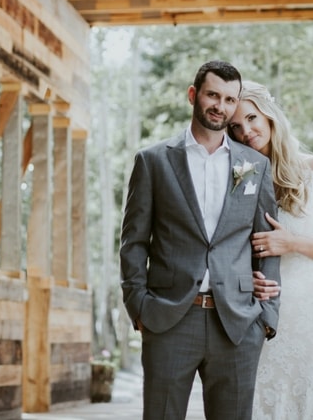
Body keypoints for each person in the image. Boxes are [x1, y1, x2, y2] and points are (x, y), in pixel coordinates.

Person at [120, 60, 281, 420]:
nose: (219, 106)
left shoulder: (254, 165)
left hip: (237, 323)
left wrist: (266, 315)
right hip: (169, 319)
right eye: (212, 95)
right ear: (194, 95)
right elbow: (133, 243)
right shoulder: (153, 162)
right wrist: (139, 305)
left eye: (228, 99)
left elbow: (266, 238)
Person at [228, 80, 313, 420]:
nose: (247, 131)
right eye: (236, 127)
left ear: (269, 116)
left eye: (252, 118)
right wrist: (246, 279)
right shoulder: (239, 177)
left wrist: (292, 243)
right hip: (261, 308)